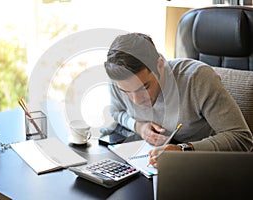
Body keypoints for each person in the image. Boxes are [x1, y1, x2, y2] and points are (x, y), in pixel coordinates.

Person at [104, 32, 253, 168]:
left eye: (144, 87)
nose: (136, 100)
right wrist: (139, 126)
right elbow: (116, 112)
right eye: (127, 92)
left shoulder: (197, 78)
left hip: (206, 165)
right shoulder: (119, 80)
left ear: (160, 65)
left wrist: (184, 149)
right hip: (153, 165)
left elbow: (241, 138)